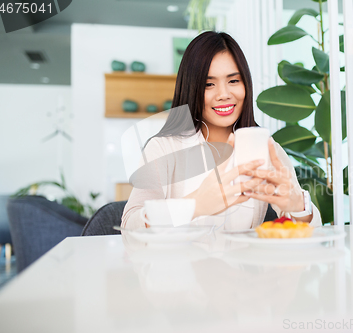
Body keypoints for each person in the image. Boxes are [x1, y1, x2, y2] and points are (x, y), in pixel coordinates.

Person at [121, 31, 321, 230]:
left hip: (245, 262)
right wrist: (195, 205)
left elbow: (310, 234)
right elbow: (130, 226)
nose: (224, 94)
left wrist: (298, 205)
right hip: (179, 262)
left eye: (233, 81)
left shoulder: (265, 149)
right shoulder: (163, 148)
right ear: (191, 89)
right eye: (209, 84)